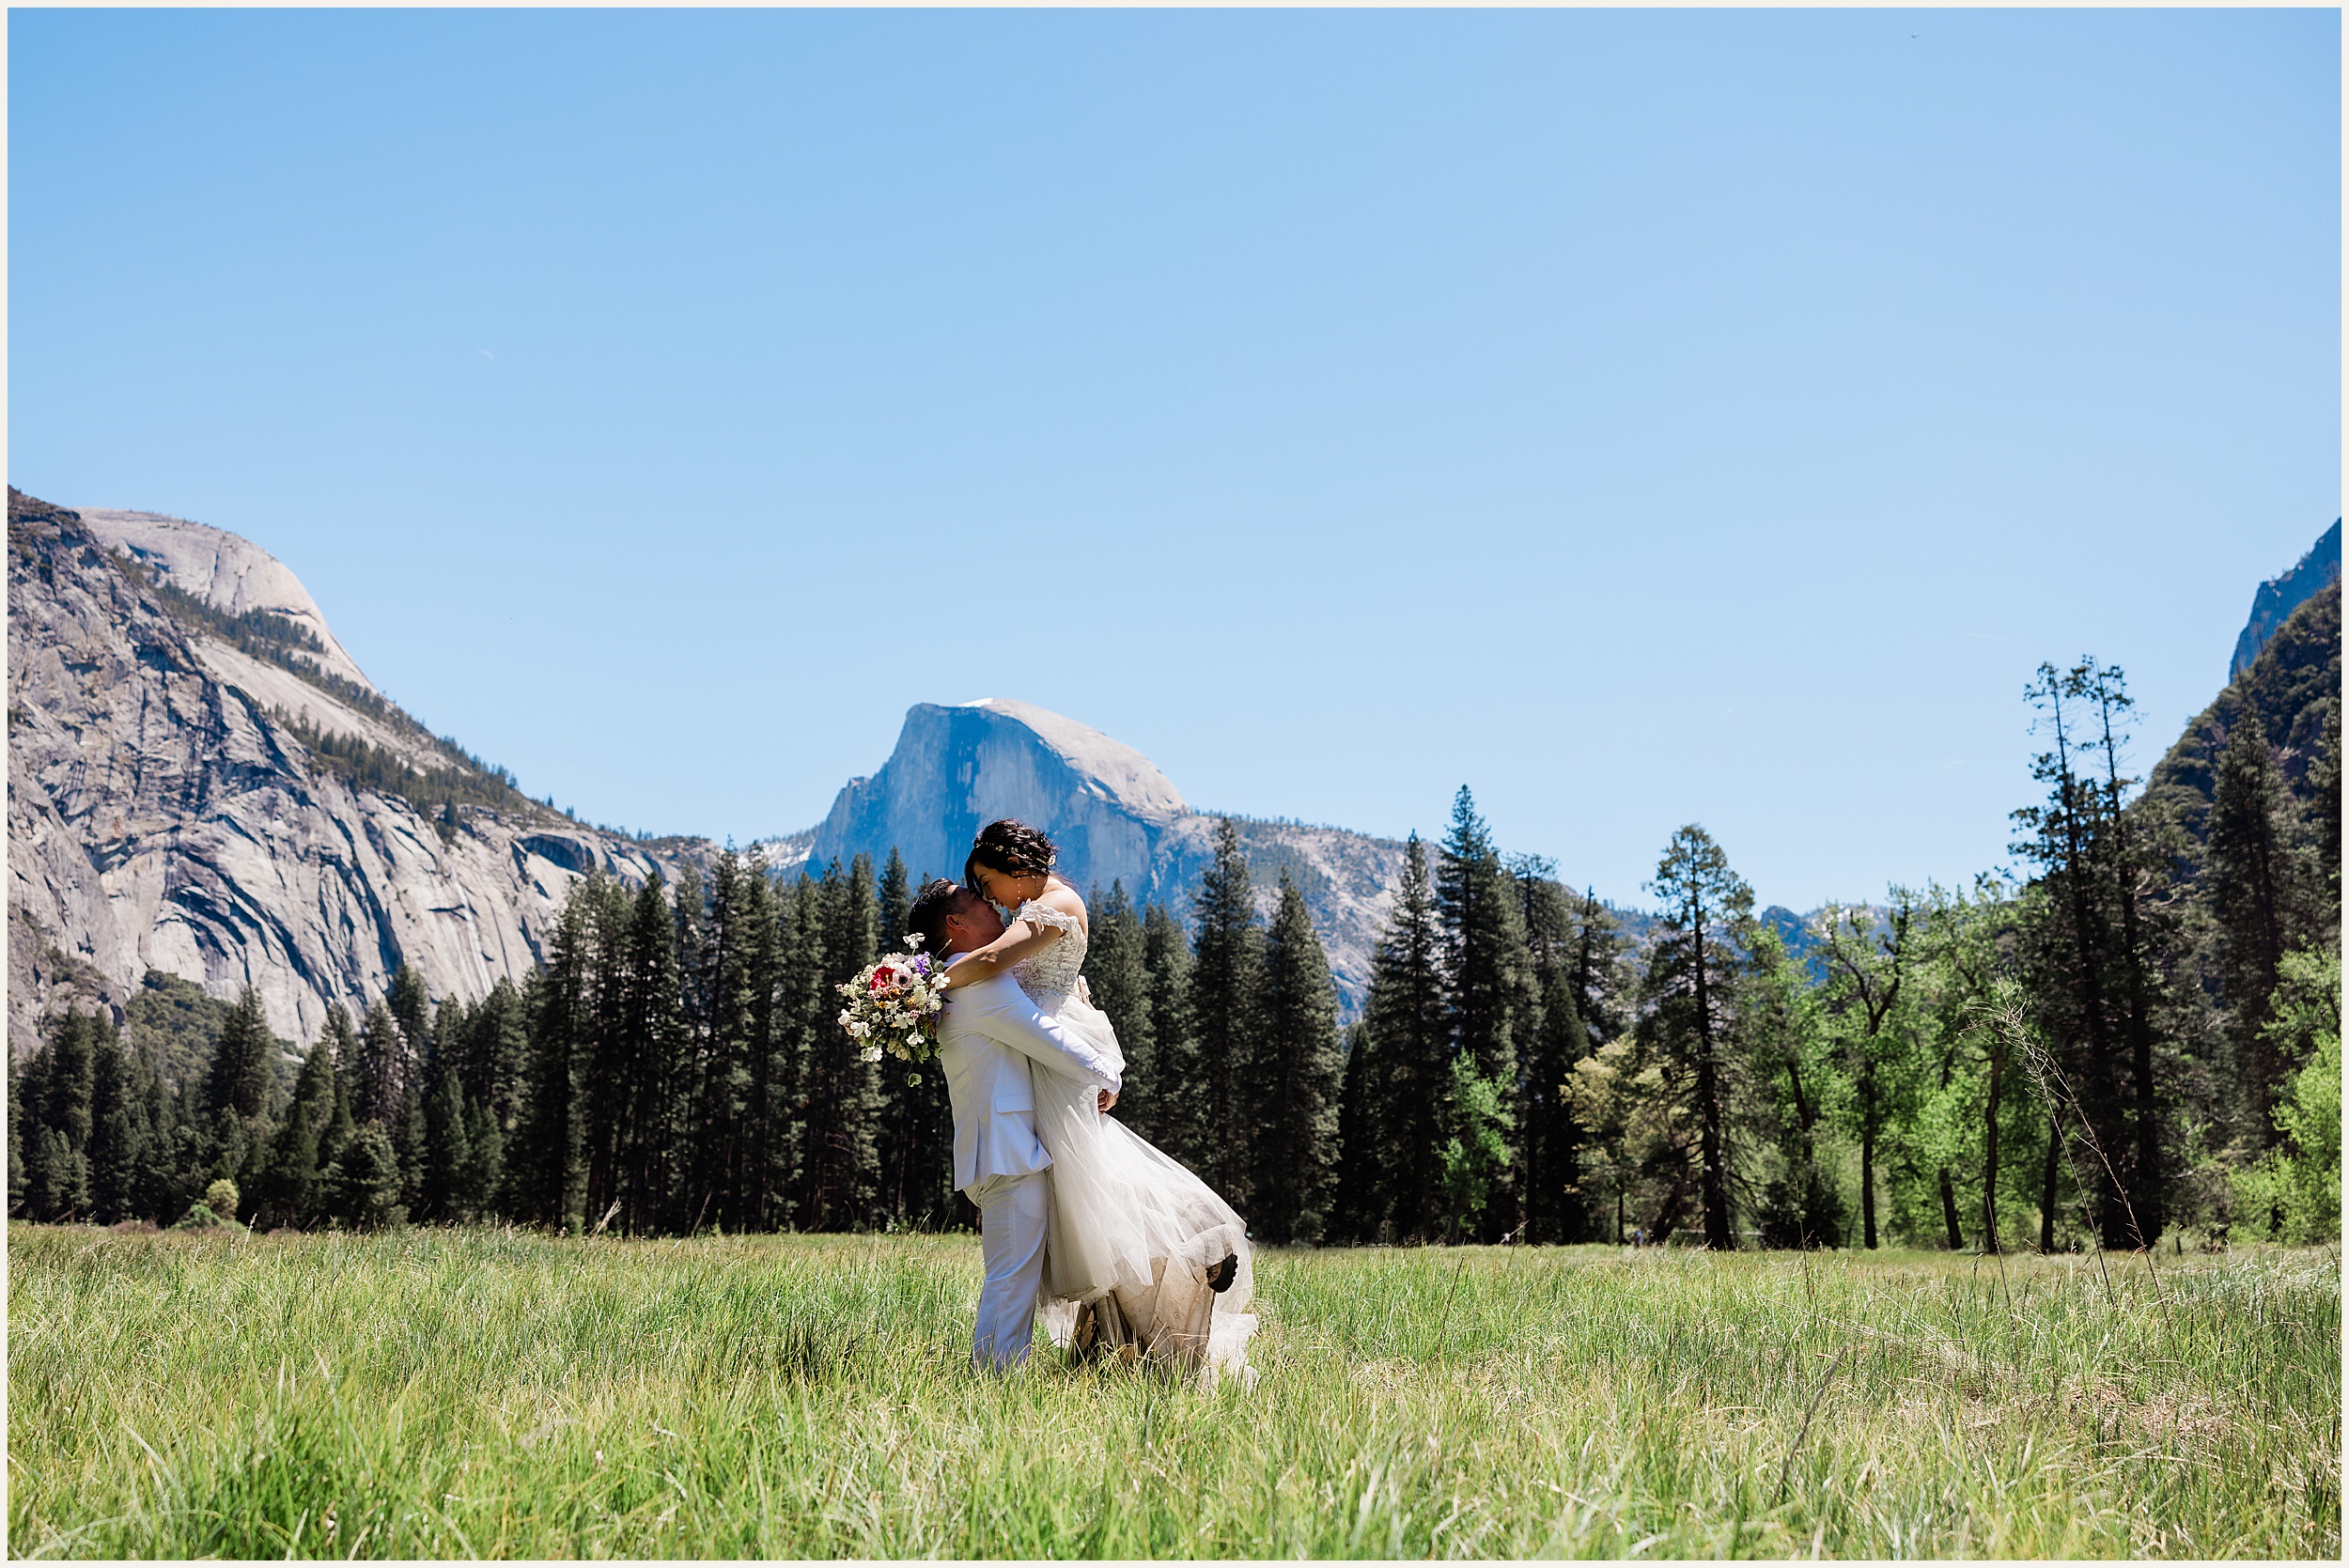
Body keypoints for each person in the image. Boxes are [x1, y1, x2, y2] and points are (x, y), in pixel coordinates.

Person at [928, 819, 1256, 1386]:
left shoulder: (1046, 909)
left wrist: (923, 985)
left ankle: (1184, 1241)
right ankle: (1119, 1340)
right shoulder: (1039, 909)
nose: (989, 898)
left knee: (1095, 1188)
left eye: (988, 883)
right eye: (977, 891)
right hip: (1043, 1057)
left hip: (1054, 1060)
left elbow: (986, 966)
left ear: (1015, 867)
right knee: (1085, 1196)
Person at [911, 873, 1125, 1371]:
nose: (991, 904)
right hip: (1007, 1150)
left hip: (1002, 1147)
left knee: (1015, 1276)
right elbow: (1045, 1038)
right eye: (976, 898)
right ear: (955, 922)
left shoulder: (958, 981)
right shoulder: (976, 981)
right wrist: (1107, 1071)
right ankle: (994, 1381)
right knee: (1012, 1278)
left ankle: (1000, 1374)